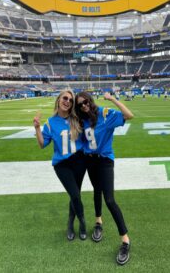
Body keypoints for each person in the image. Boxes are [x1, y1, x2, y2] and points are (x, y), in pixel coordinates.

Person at [75, 91, 134, 265]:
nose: (84, 106)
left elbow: (129, 115)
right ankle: (98, 222)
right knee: (96, 191)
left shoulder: (104, 113)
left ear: (90, 100)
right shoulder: (81, 120)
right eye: (80, 105)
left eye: (85, 102)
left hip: (105, 160)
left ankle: (125, 240)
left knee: (109, 199)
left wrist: (112, 99)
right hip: (89, 161)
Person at [33, 90, 87, 241]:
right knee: (75, 195)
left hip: (79, 161)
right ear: (58, 100)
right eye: (65, 98)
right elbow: (43, 145)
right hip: (62, 164)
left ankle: (70, 223)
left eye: (70, 100)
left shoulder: (76, 119)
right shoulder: (50, 123)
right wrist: (37, 128)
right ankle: (81, 221)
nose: (67, 101)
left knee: (75, 194)